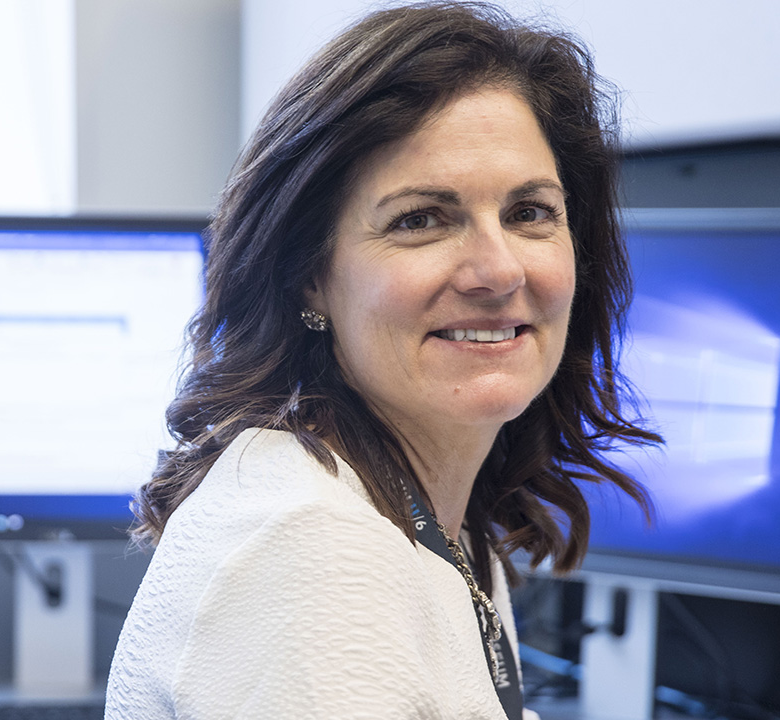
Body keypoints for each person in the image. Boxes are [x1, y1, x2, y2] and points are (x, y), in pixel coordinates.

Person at [106, 2, 660, 717]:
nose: (497, 271)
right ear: (310, 275)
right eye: (421, 219)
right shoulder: (313, 552)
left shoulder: (417, 517)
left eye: (528, 213)